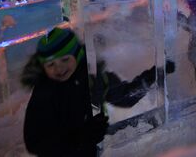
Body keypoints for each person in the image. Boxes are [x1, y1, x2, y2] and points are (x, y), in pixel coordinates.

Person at [22, 27, 173, 156]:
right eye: (51, 64)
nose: (59, 69)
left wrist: (155, 74)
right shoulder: (44, 93)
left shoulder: (95, 79)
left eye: (65, 59)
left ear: (77, 54)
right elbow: (34, 142)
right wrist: (80, 138)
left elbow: (125, 96)